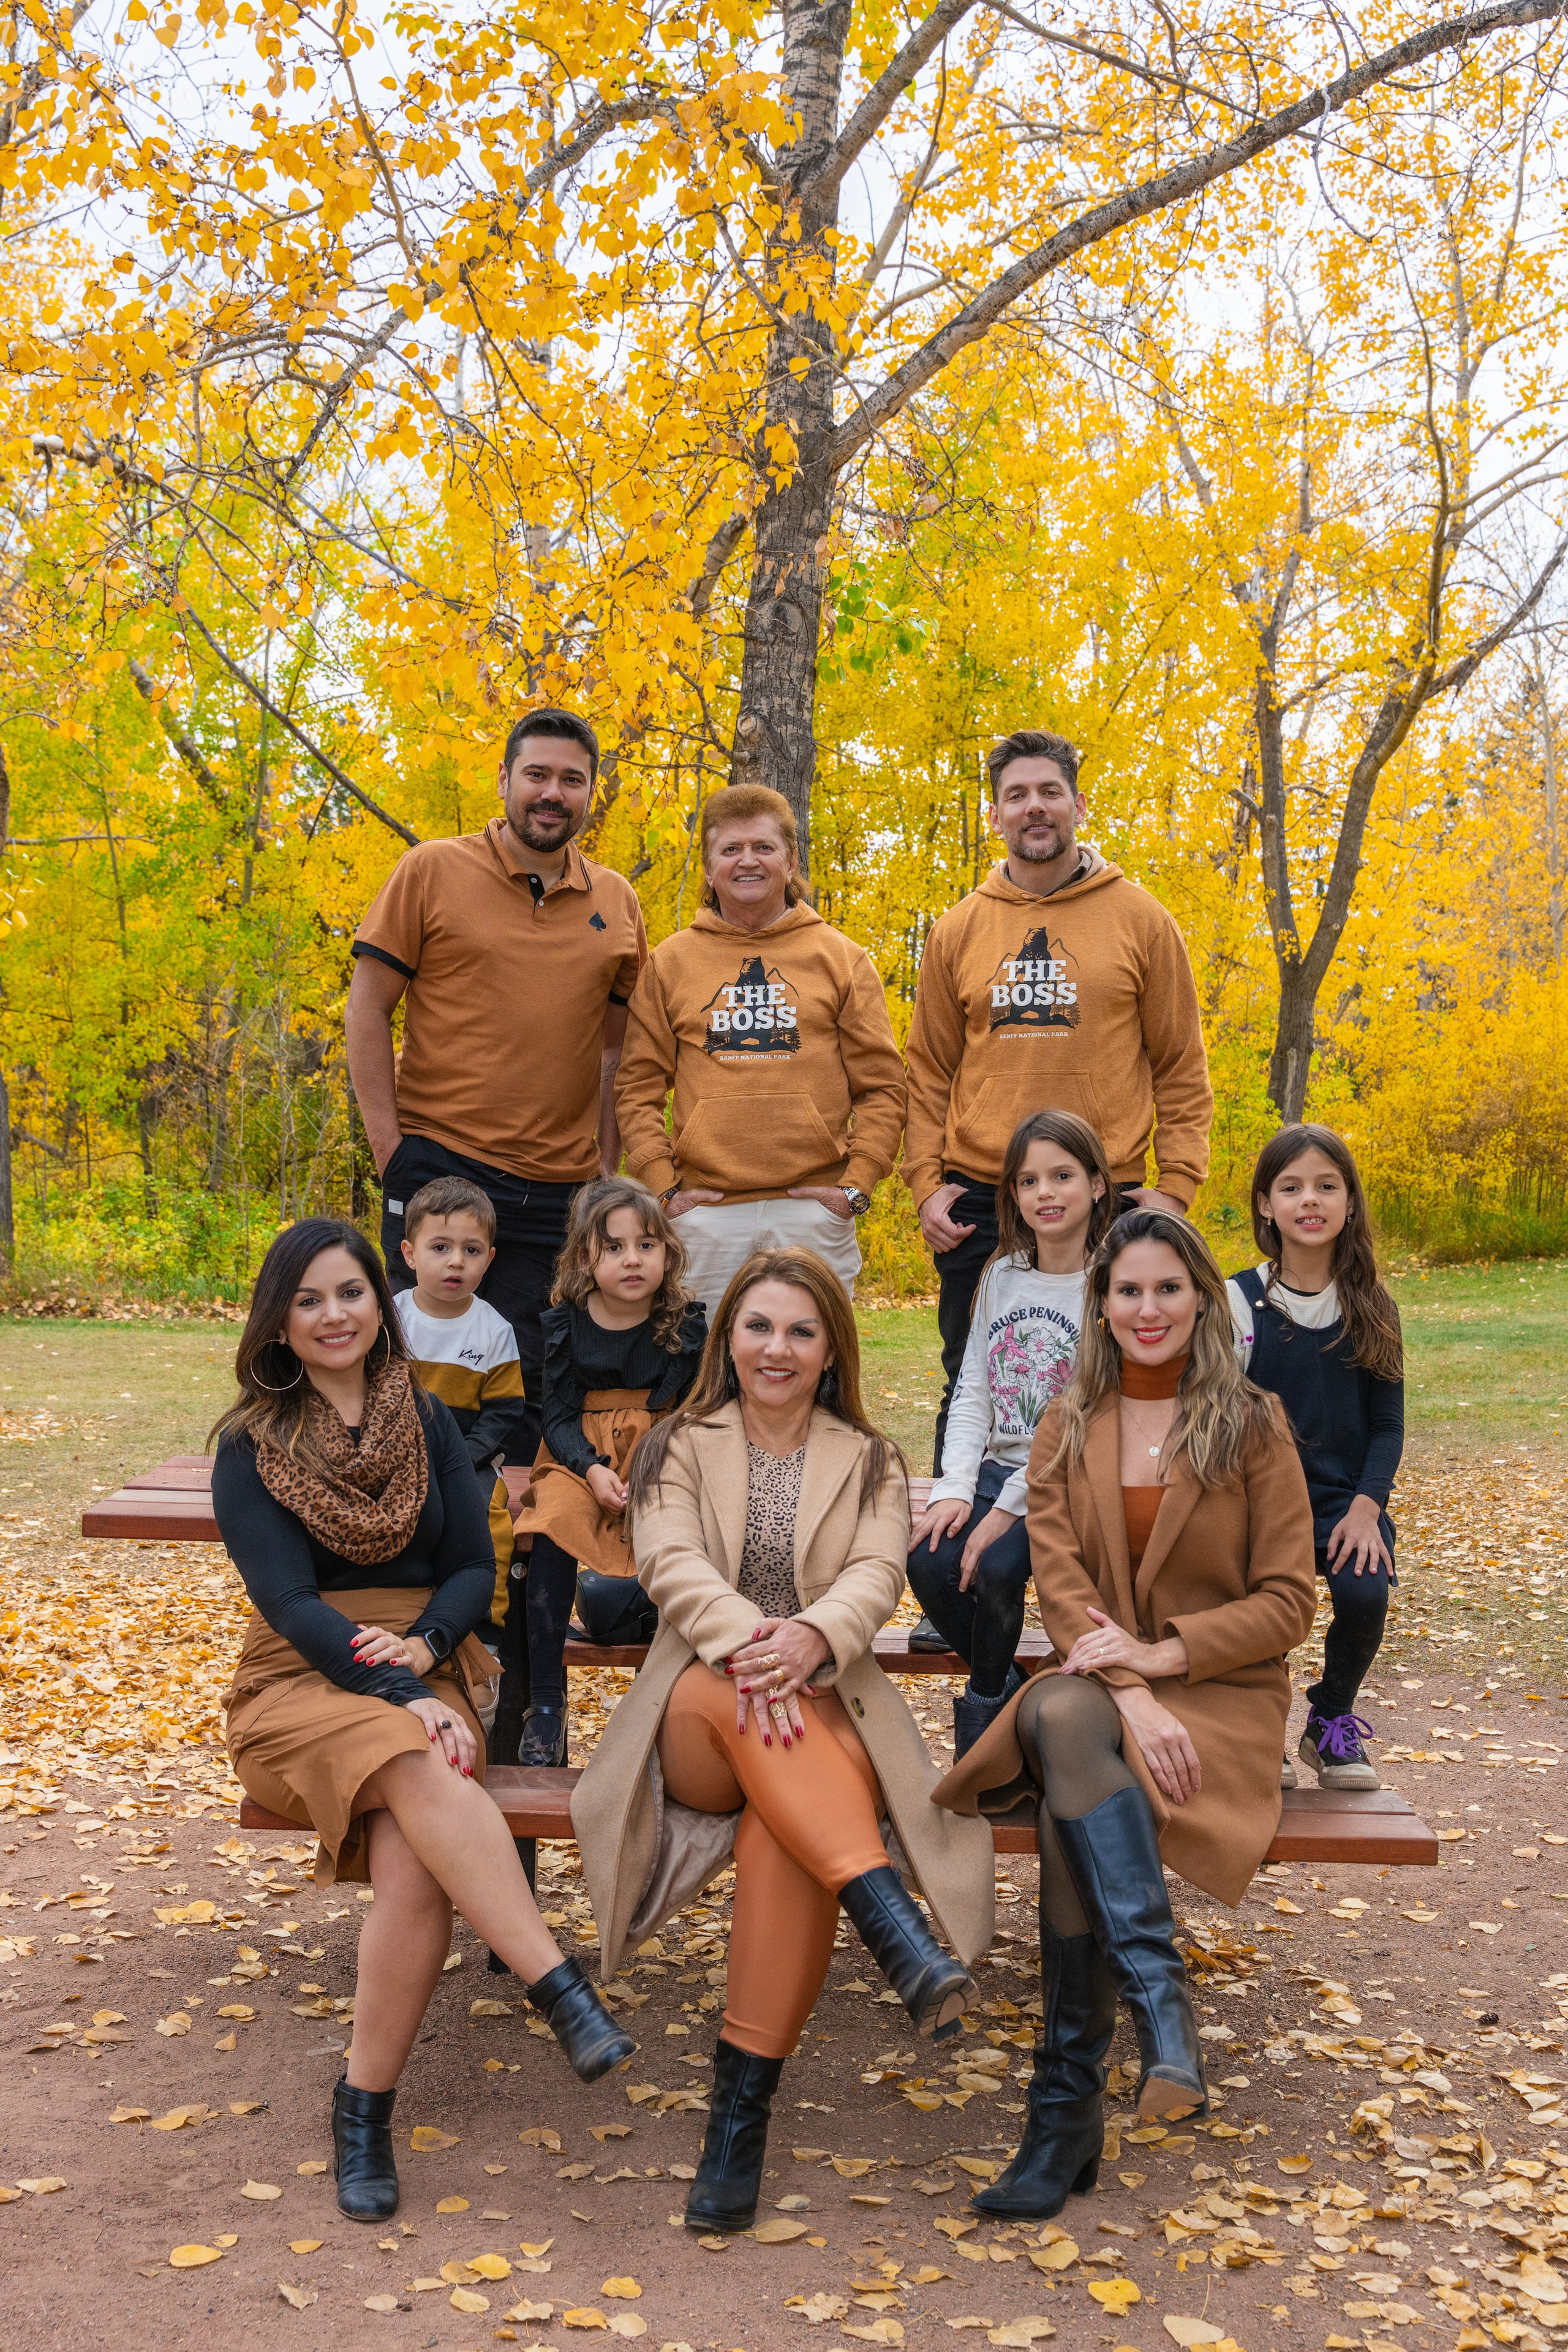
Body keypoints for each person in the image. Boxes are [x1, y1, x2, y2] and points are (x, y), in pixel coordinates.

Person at [213, 1219, 636, 2225]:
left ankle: (361, 2109)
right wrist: (403, 1693)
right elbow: (294, 1608)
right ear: (278, 1318)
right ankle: (556, 1984)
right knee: (419, 1754)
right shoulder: (250, 1445)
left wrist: (427, 1653)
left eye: (349, 1294)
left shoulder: (428, 1422)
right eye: (308, 1299)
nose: (332, 1315)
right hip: (300, 1685)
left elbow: (471, 1568)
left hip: (424, 1656)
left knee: (413, 1866)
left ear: (380, 1303)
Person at [571, 1248, 995, 2234]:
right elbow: (669, 1565)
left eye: (801, 1330)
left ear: (829, 1348)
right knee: (746, 1705)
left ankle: (738, 2123)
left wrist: (815, 1635)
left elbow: (878, 1573)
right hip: (696, 1715)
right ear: (730, 1339)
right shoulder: (677, 1444)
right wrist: (758, 1642)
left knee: (783, 1840)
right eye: (759, 1326)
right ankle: (891, 1921)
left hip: (822, 1705)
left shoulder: (871, 1458)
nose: (777, 1347)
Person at [933, 1209, 1316, 2221]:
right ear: (1101, 1305)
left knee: (1068, 1758)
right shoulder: (1068, 1422)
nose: (1147, 1310)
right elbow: (1061, 1590)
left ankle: (1066, 2111)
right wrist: (1134, 1691)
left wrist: (1161, 1660)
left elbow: (1288, 1600)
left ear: (1201, 1299)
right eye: (1129, 1291)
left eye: (1167, 1289)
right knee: (1070, 1721)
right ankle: (1157, 2014)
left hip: (1220, 1699)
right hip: (1102, 1685)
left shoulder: (1255, 1423)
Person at [903, 729, 1213, 1472]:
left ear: (1077, 803)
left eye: (1048, 792)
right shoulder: (958, 930)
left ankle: (1112, 1561)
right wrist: (922, 1187)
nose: (1033, 808)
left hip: (1111, 1195)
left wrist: (1175, 1188)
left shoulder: (1141, 919)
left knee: (1125, 1382)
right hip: (983, 1201)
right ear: (996, 815)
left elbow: (1180, 1065)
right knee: (976, 1381)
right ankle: (967, 1547)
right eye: (1016, 795)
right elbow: (925, 1071)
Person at [345, 707, 647, 1463]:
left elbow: (618, 1052)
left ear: (589, 794)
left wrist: (606, 1167)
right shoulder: (432, 870)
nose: (552, 793)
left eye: (571, 780)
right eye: (537, 775)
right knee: (412, 1378)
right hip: (441, 1169)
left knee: (529, 1386)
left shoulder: (617, 902)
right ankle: (402, 1554)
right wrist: (393, 1154)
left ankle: (509, 1565)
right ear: (505, 780)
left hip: (558, 1191)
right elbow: (367, 1010)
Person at [614, 783, 906, 1317]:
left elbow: (884, 1088)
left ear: (791, 860)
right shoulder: (671, 962)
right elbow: (636, 1088)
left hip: (813, 1210)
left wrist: (856, 1188)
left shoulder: (840, 959)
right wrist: (663, 1189)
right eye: (731, 849)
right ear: (708, 867)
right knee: (702, 1377)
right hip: (705, 1214)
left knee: (817, 1371)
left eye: (763, 848)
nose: (747, 861)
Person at [907, 1111, 1115, 1754]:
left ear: (1098, 1185)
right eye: (1028, 1181)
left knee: (995, 1567)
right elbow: (973, 1387)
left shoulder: (1109, 1284)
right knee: (929, 1560)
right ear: (1013, 1195)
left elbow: (1089, 1421)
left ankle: (986, 1718)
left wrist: (1002, 1511)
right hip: (1000, 1470)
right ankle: (1023, 1695)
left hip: (1068, 1479)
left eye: (1062, 1176)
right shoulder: (1001, 1274)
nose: (1045, 1193)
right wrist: (954, 1487)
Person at [1228, 1125, 1404, 1793]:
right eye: (1291, 1187)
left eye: (1326, 1186)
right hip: (1255, 1500)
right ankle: (1259, 1729)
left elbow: (1387, 1427)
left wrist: (1367, 1509)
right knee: (1265, 1613)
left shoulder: (1371, 1305)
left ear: (1349, 1202)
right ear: (1265, 1205)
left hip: (1342, 1502)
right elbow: (1218, 1415)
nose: (1310, 1200)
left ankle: (1329, 1720)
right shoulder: (1237, 1300)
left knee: (1362, 1596)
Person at [511, 1178, 708, 1766]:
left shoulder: (684, 1322)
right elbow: (559, 1416)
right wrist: (591, 1470)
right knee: (549, 1522)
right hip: (579, 1457)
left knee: (684, 1527)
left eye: (646, 1245)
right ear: (584, 1260)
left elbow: (693, 1408)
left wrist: (655, 1459)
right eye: (613, 1247)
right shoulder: (566, 1324)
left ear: (668, 1254)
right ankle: (545, 1703)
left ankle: (670, 1699)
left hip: (663, 1450)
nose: (631, 1259)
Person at [393, 1175, 527, 1631]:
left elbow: (504, 1411)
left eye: (471, 1251)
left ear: (489, 1259)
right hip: (392, 1452)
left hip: (469, 1460)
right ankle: (402, 1611)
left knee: (486, 1518)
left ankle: (484, 1627)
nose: (456, 1262)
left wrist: (461, 1457)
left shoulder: (494, 1330)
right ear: (410, 1253)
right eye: (440, 1248)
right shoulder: (389, 1320)